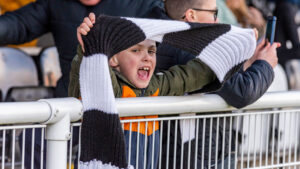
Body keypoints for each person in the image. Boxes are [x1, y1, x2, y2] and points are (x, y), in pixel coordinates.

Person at [69, 15, 257, 168]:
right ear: (112, 60)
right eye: (136, 50)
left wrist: (230, 49)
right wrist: (88, 47)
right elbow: (91, 71)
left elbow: (190, 76)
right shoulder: (109, 86)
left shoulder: (156, 86)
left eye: (151, 51)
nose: (146, 58)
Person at [154, 0, 281, 168]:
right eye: (214, 14)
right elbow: (241, 92)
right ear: (191, 15)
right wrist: (265, 64)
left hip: (196, 150)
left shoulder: (168, 37)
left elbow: (223, 82)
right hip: (198, 155)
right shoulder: (191, 45)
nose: (218, 22)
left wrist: (251, 61)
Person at [0, 0, 163, 97]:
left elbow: (175, 33)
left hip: (126, 109)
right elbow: (19, 25)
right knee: (33, 143)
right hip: (69, 104)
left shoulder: (144, 4)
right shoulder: (55, 4)